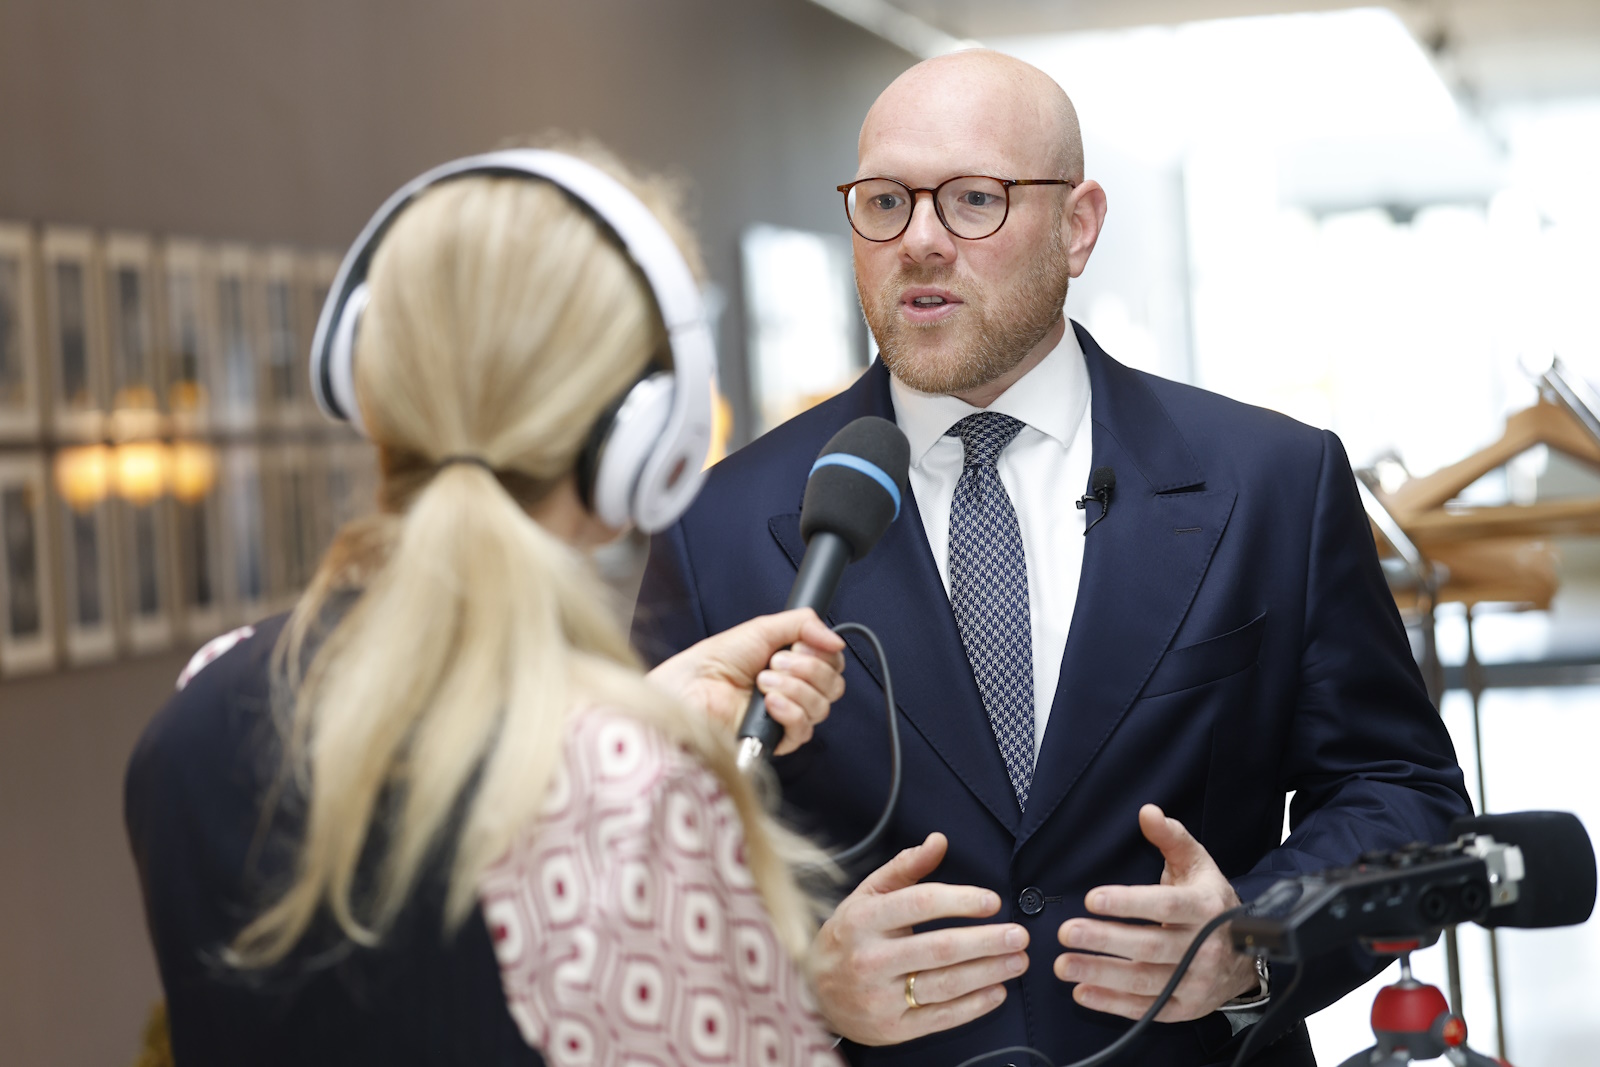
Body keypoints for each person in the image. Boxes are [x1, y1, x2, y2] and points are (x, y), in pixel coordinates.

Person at [633, 50, 1473, 1066]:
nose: (921, 240)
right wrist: (793, 978)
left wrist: (1253, 940)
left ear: (1078, 225)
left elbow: (1401, 792)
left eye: (974, 199)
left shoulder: (1273, 482)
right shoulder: (716, 524)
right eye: (886, 202)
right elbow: (635, 870)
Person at [125, 146, 852, 1066]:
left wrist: (630, 718)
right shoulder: (624, 786)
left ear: (365, 367)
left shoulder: (203, 700)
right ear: (637, 435)